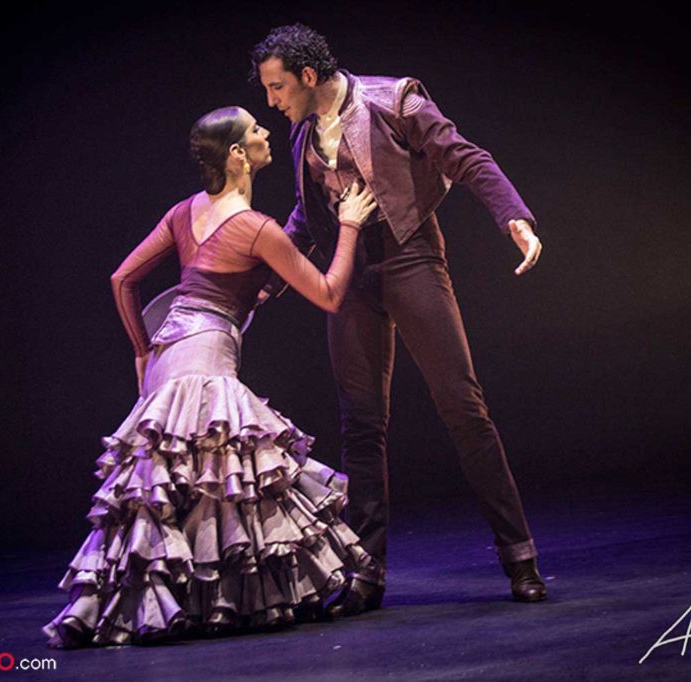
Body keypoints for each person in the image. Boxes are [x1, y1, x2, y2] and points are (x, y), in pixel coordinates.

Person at [42, 105, 379, 648]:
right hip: (205, 360)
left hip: (168, 353)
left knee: (170, 482)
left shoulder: (185, 212)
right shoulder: (255, 228)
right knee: (226, 476)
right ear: (239, 155)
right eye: (255, 130)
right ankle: (222, 602)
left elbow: (123, 278)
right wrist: (349, 225)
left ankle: (172, 606)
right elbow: (330, 293)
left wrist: (138, 353)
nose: (269, 131)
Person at [249, 23, 548, 614]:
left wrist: (512, 217)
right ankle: (366, 575)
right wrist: (265, 279)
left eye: (278, 87)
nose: (272, 101)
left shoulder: (396, 99)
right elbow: (309, 219)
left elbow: (465, 157)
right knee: (360, 424)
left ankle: (520, 557)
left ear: (309, 77)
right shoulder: (302, 133)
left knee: (463, 407)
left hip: (410, 255)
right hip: (351, 271)